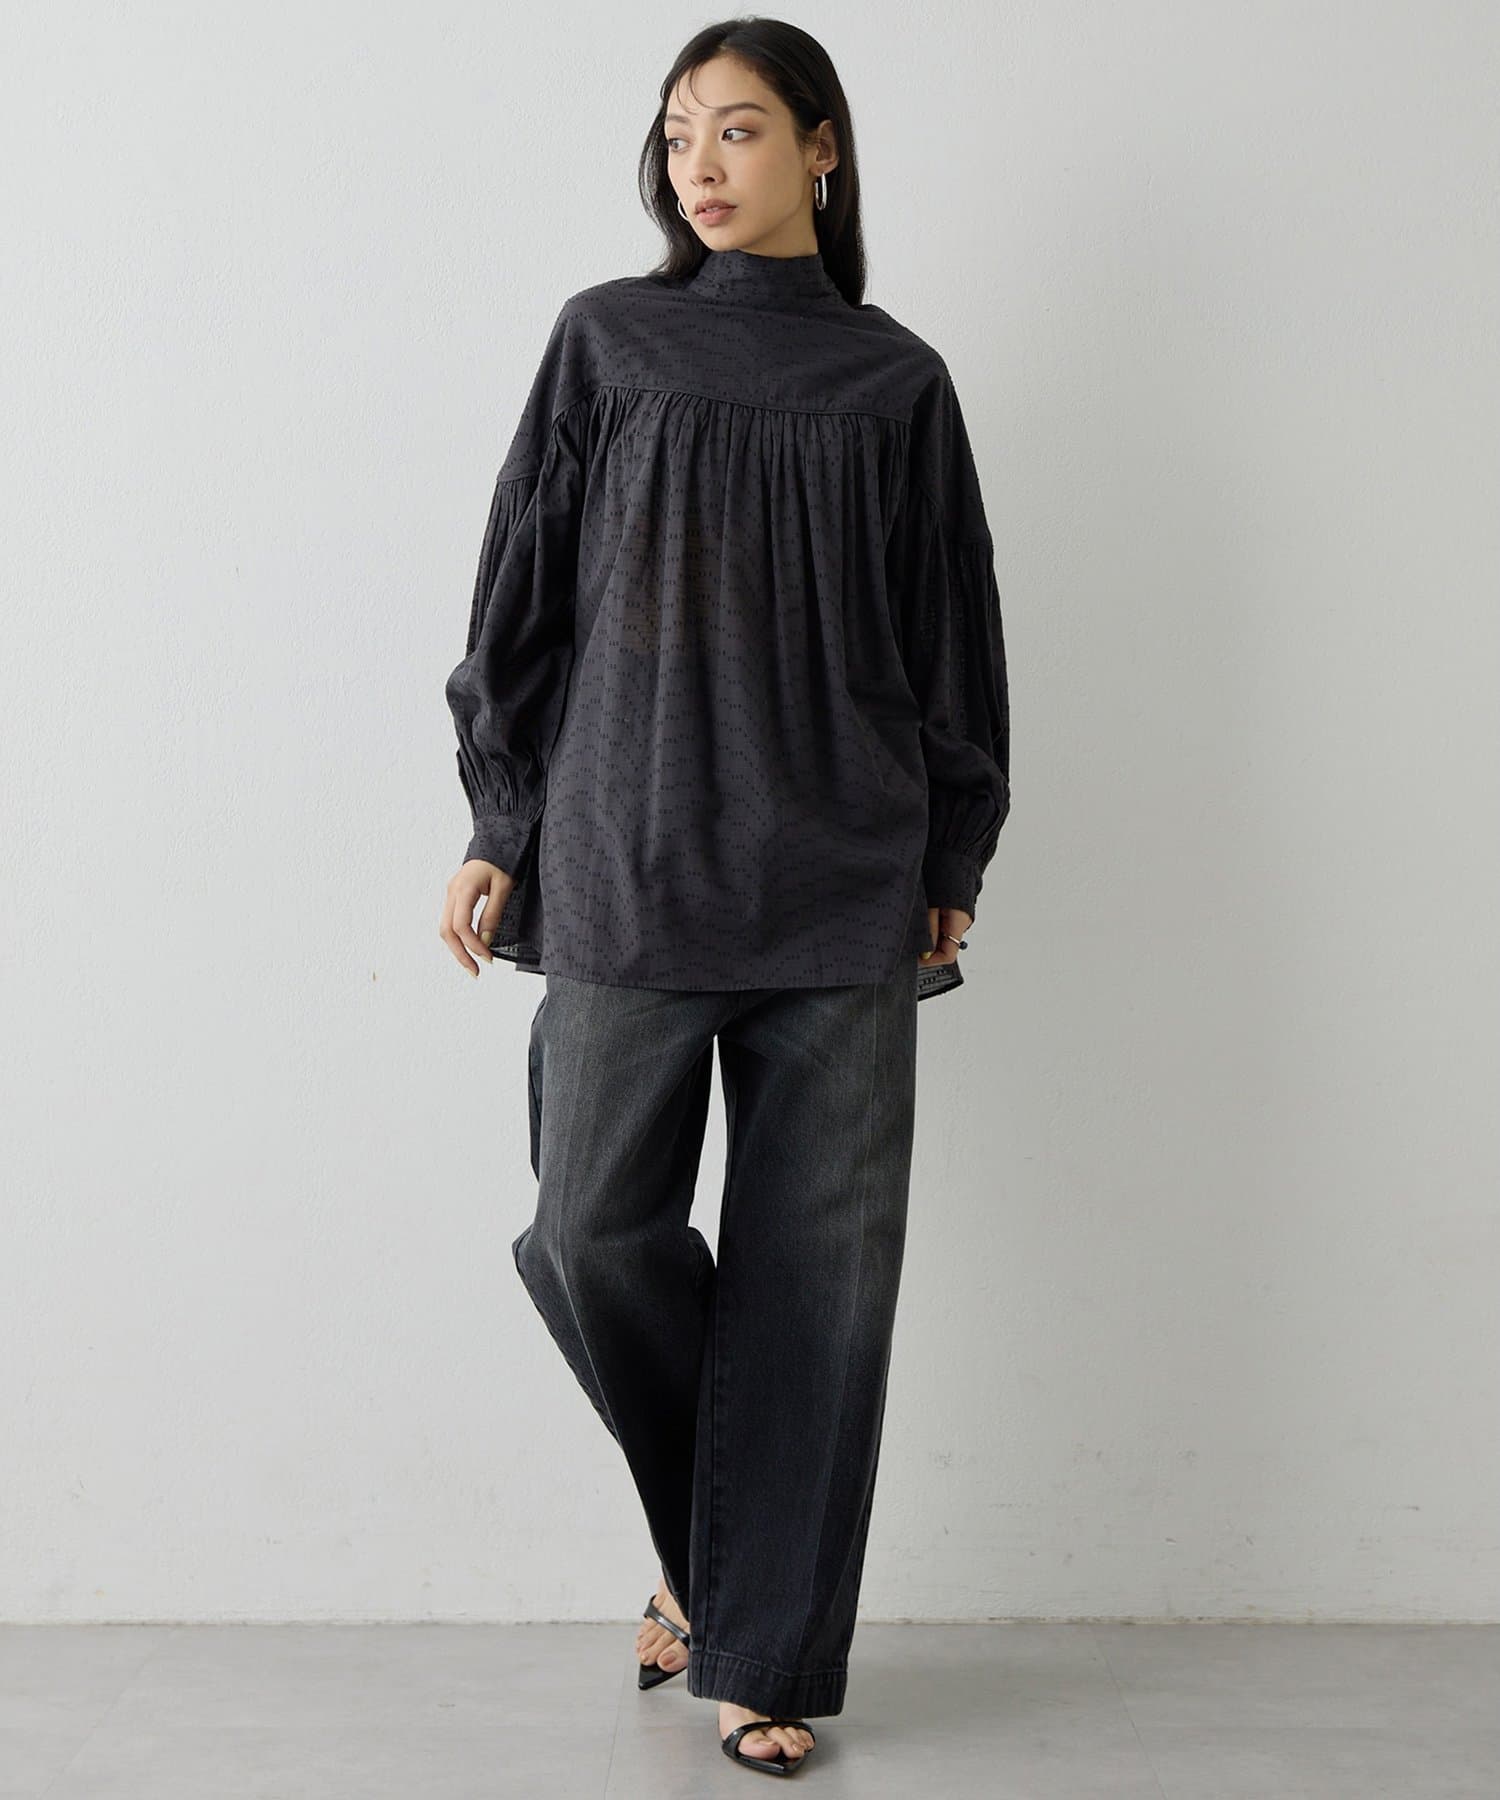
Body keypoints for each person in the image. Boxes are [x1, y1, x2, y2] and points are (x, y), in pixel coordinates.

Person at [439, 18, 1011, 1778]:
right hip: (630, 859)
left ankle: (761, 1655)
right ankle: (731, 1565)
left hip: (843, 882)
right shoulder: (607, 341)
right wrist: (500, 815)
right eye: (681, 130)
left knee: (818, 1288)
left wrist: (952, 852)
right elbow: (524, 590)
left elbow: (951, 630)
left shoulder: (896, 382)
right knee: (585, 1235)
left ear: (822, 150)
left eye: (741, 128)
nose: (701, 161)